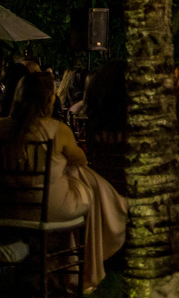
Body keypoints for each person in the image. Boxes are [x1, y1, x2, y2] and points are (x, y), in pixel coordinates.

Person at [0, 72, 127, 291]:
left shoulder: (2, 127)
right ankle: (83, 263)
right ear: (48, 98)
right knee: (79, 175)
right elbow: (81, 159)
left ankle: (35, 257)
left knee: (73, 175)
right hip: (48, 208)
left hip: (8, 207)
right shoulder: (57, 130)